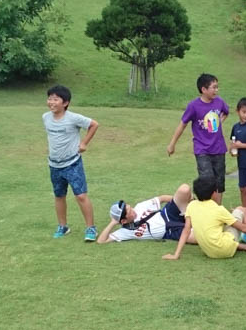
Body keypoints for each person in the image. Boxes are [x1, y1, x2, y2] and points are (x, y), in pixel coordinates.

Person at [163, 176, 246, 260]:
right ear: (214, 193)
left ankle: (245, 247)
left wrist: (176, 254)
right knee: (241, 212)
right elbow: (244, 228)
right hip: (224, 249)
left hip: (209, 252)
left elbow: (186, 230)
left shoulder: (191, 206)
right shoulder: (218, 209)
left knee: (217, 225)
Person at [43, 85, 100, 241]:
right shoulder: (46, 117)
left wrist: (84, 143)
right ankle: (63, 226)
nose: (51, 102)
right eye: (49, 99)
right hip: (54, 165)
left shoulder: (73, 118)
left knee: (81, 195)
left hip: (72, 163)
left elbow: (94, 124)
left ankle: (91, 229)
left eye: (55, 99)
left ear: (65, 103)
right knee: (59, 196)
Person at [167, 73, 230, 204]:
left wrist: (219, 121)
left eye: (217, 87)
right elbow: (182, 124)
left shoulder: (219, 102)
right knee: (207, 179)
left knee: (219, 182)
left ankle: (217, 209)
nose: (216, 90)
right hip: (202, 149)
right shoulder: (194, 106)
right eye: (214, 87)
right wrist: (172, 144)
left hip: (219, 148)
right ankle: (206, 210)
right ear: (203, 89)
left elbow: (226, 112)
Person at [96, 184, 196, 244]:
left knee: (184, 189)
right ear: (123, 221)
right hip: (170, 232)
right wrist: (113, 222)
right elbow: (101, 241)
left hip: (168, 213)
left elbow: (162, 198)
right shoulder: (125, 231)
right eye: (129, 212)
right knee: (199, 238)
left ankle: (197, 209)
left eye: (129, 207)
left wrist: (186, 202)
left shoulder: (140, 206)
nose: (132, 210)